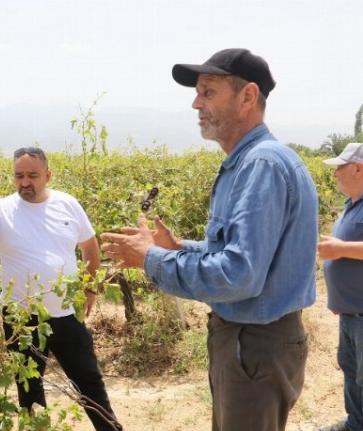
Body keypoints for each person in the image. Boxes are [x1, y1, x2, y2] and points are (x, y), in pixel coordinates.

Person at [100, 48, 318, 431]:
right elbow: (243, 254)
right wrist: (180, 249)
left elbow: (239, 275)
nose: (195, 103)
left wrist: (152, 259)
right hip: (248, 342)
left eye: (208, 91)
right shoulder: (248, 162)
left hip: (254, 345)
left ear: (247, 96)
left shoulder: (260, 165)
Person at [0, 147, 122, 431]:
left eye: (32, 175)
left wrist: (90, 288)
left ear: (47, 175)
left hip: (66, 315)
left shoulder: (67, 204)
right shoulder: (2, 209)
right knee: (29, 393)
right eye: (19, 176)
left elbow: (89, 247)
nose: (25, 182)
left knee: (90, 384)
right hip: (21, 321)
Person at [316, 143, 363, 431]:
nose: (335, 175)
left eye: (339, 168)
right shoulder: (351, 205)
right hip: (350, 314)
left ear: (358, 168)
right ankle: (356, 424)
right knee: (351, 372)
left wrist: (341, 248)